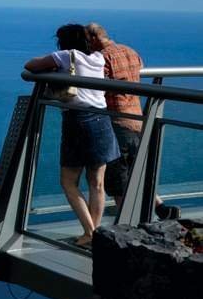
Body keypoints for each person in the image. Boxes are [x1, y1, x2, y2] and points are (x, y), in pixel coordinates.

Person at [24, 23, 120, 247]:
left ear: (63, 41)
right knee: (97, 183)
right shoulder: (97, 57)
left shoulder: (67, 56)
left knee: (68, 181)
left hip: (78, 121)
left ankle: (90, 232)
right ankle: (92, 234)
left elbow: (30, 65)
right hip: (102, 119)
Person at [86, 23, 181, 220]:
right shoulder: (130, 51)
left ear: (94, 38)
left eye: (87, 41)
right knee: (136, 169)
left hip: (117, 122)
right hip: (137, 119)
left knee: (118, 176)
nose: (86, 46)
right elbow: (139, 71)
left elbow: (96, 86)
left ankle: (125, 221)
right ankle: (161, 207)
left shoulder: (103, 58)